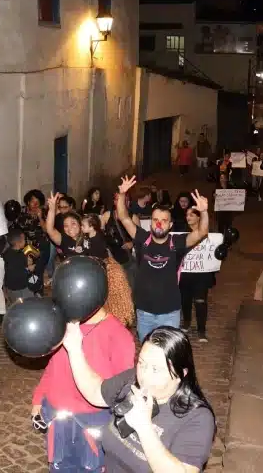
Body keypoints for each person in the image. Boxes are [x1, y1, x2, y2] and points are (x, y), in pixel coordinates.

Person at [63, 325, 216, 473]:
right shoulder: (132, 381)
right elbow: (96, 391)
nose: (144, 375)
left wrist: (144, 427)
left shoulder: (197, 418)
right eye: (142, 363)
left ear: (181, 374)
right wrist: (74, 349)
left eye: (156, 369)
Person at [31, 304, 135, 471]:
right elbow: (53, 366)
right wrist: (38, 399)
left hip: (93, 426)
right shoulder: (64, 327)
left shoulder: (118, 334)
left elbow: (121, 391)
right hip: (59, 422)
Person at [115, 176, 210, 341]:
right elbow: (123, 218)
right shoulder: (141, 238)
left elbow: (201, 233)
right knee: (147, 350)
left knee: (167, 354)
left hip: (169, 313)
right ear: (151, 222)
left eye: (164, 221)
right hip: (144, 312)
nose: (159, 224)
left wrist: (203, 212)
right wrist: (122, 194)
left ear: (170, 225)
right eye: (155, 220)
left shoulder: (177, 242)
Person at [179, 208, 214, 342]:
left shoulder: (207, 233)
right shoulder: (182, 232)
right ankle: (187, 322)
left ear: (199, 217)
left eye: (191, 215)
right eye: (187, 215)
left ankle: (201, 330)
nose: (188, 217)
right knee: (185, 300)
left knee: (200, 301)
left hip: (201, 274)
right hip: (186, 272)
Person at [2, 228, 34, 303]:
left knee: (17, 303)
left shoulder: (7, 253)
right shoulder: (19, 256)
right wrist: (29, 268)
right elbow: (17, 273)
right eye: (24, 240)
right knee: (28, 302)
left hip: (10, 287)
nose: (25, 241)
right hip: (20, 286)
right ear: (18, 243)